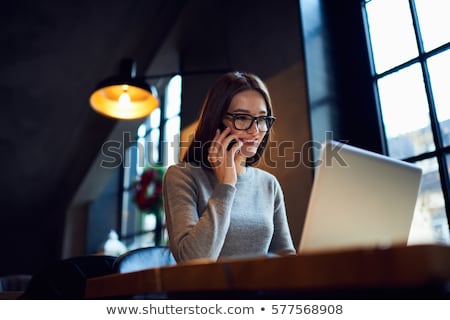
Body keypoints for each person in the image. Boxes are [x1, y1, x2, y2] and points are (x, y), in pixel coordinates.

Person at [162, 71, 296, 263]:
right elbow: (192, 261)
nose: (255, 130)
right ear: (217, 120)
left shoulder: (268, 184)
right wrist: (226, 185)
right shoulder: (182, 176)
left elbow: (285, 256)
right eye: (242, 118)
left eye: (261, 119)